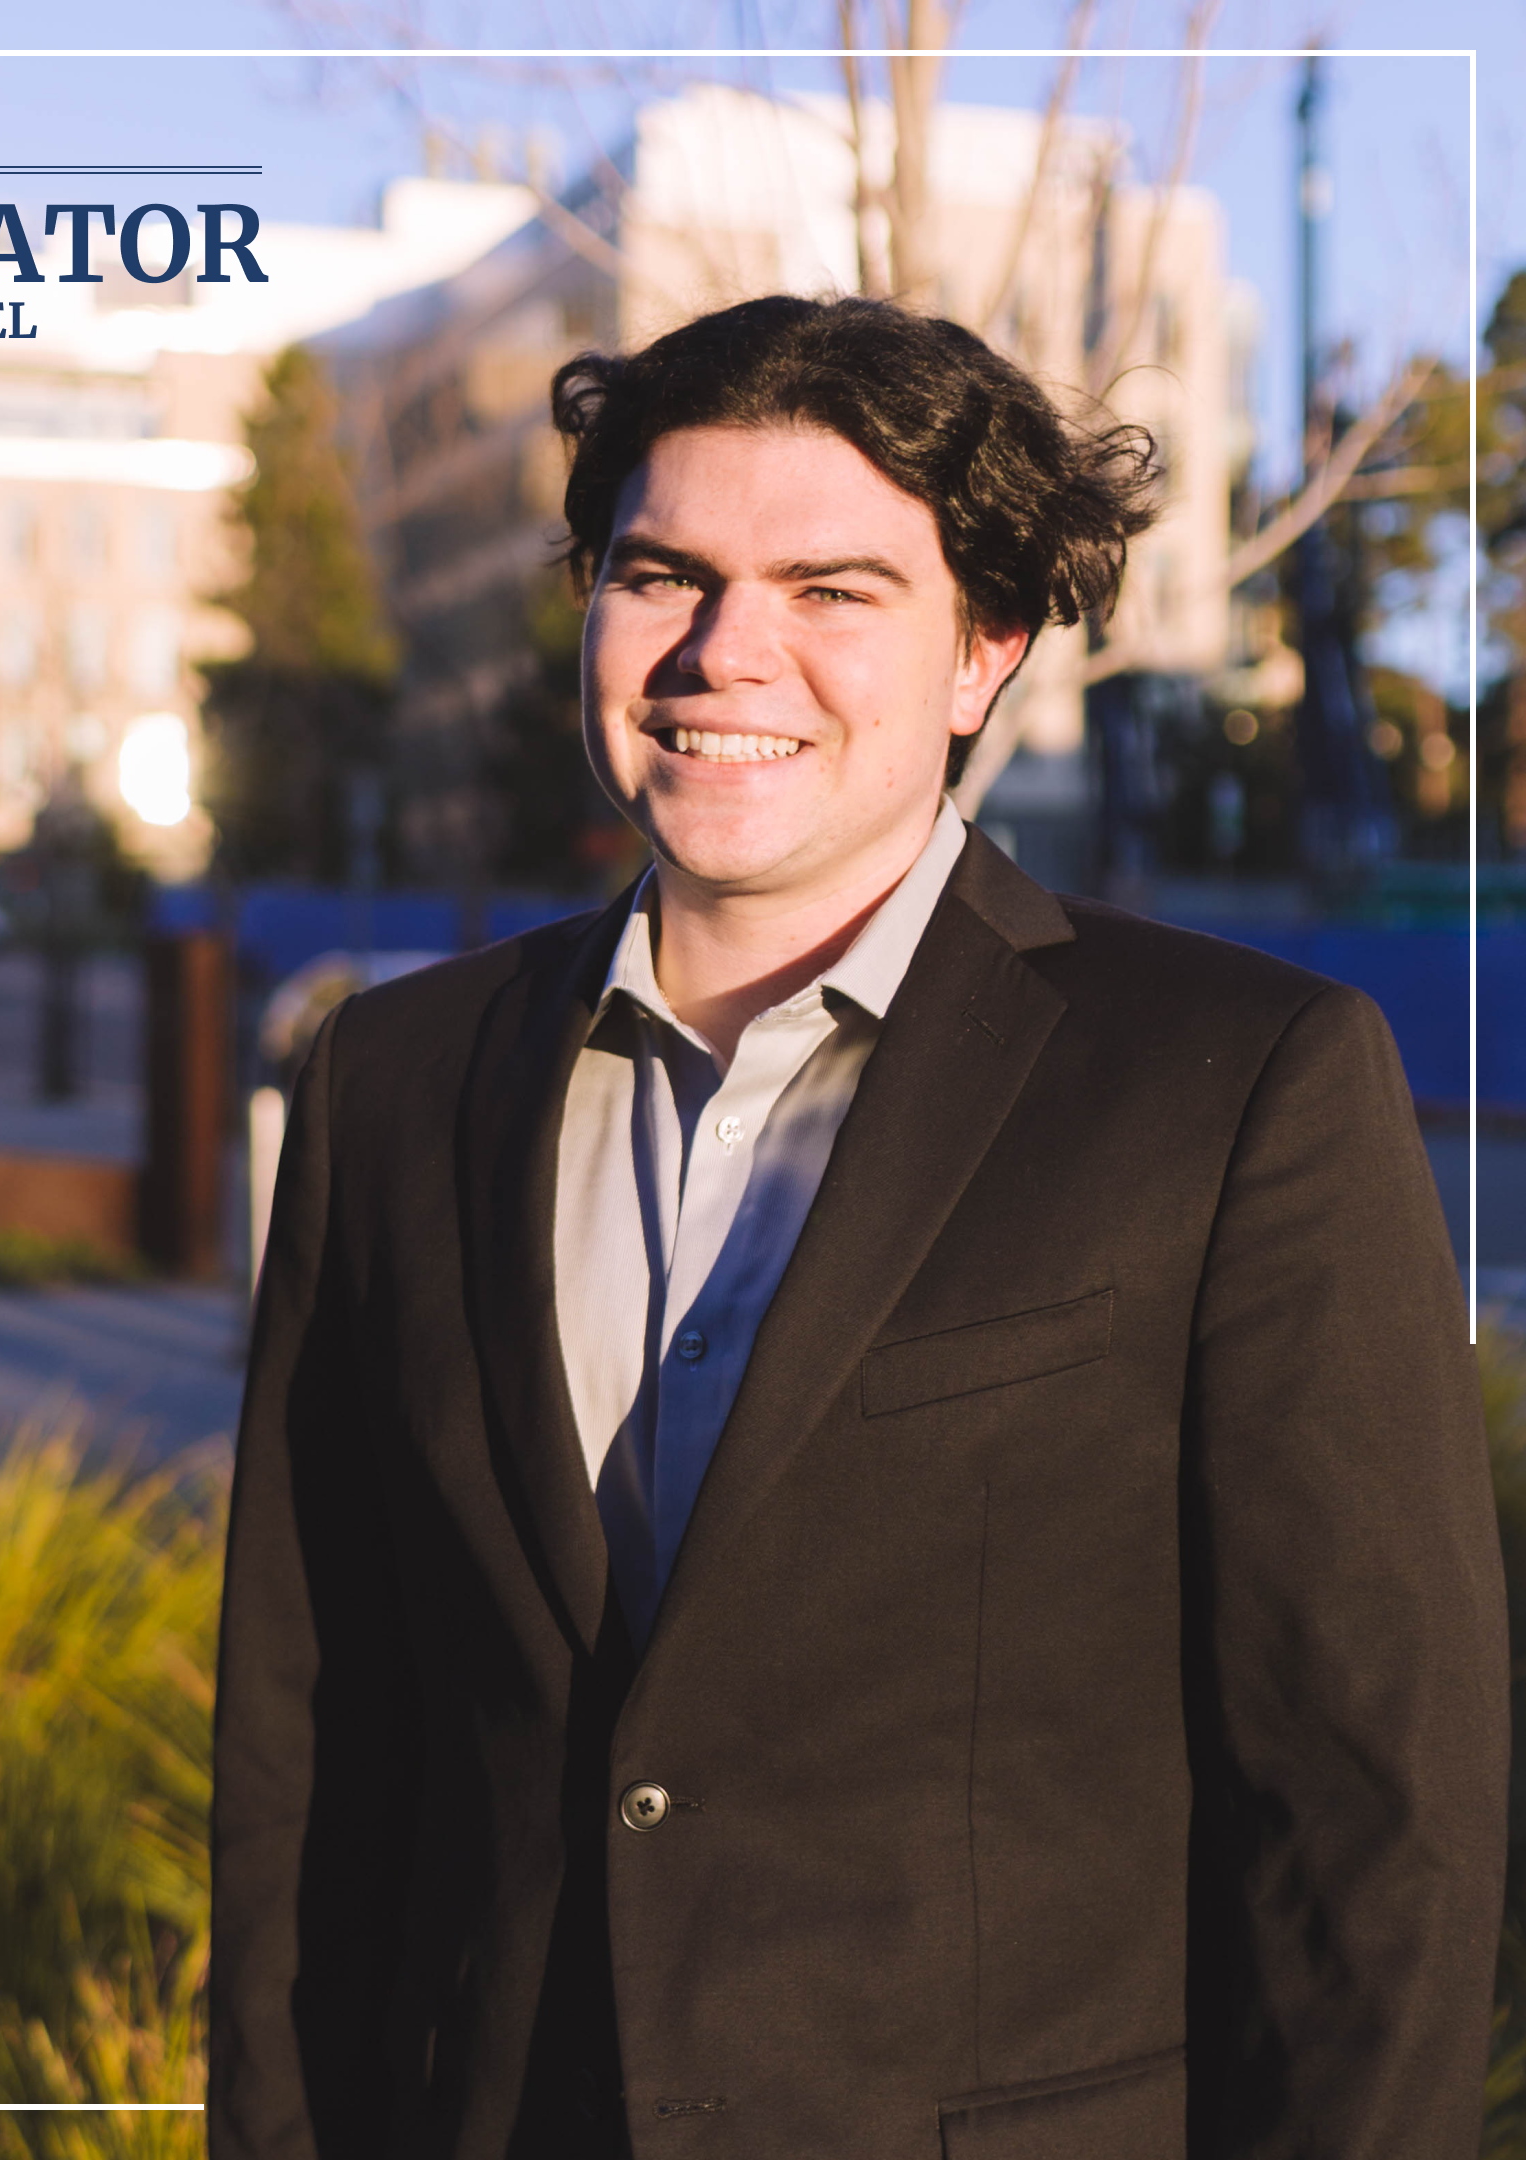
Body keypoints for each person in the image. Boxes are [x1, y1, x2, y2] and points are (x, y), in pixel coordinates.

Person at [208, 293, 1506, 2160]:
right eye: (665, 575)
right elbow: (310, 1761)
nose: (729, 653)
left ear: (985, 649)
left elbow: (1374, 1812)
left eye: (833, 590)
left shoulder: (1239, 1087)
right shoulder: (390, 1084)